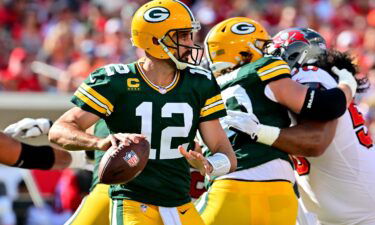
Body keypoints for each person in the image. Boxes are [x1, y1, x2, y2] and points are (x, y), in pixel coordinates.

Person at [48, 1, 237, 225]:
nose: (190, 43)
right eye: (183, 36)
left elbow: (226, 154)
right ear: (156, 41)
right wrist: (99, 143)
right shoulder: (116, 81)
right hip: (132, 201)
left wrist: (208, 165)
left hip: (180, 203)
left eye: (190, 35)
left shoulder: (200, 82)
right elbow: (59, 130)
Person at [195, 17, 356, 225]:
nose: (269, 52)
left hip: (229, 190)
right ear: (245, 51)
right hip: (281, 196)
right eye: (263, 46)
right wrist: (347, 84)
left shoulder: (204, 90)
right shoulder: (262, 69)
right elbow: (326, 106)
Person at [226, 28, 375, 225]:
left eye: (276, 54)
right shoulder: (304, 85)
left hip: (358, 211)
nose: (269, 60)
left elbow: (316, 141)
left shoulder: (309, 74)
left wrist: (259, 132)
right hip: (334, 208)